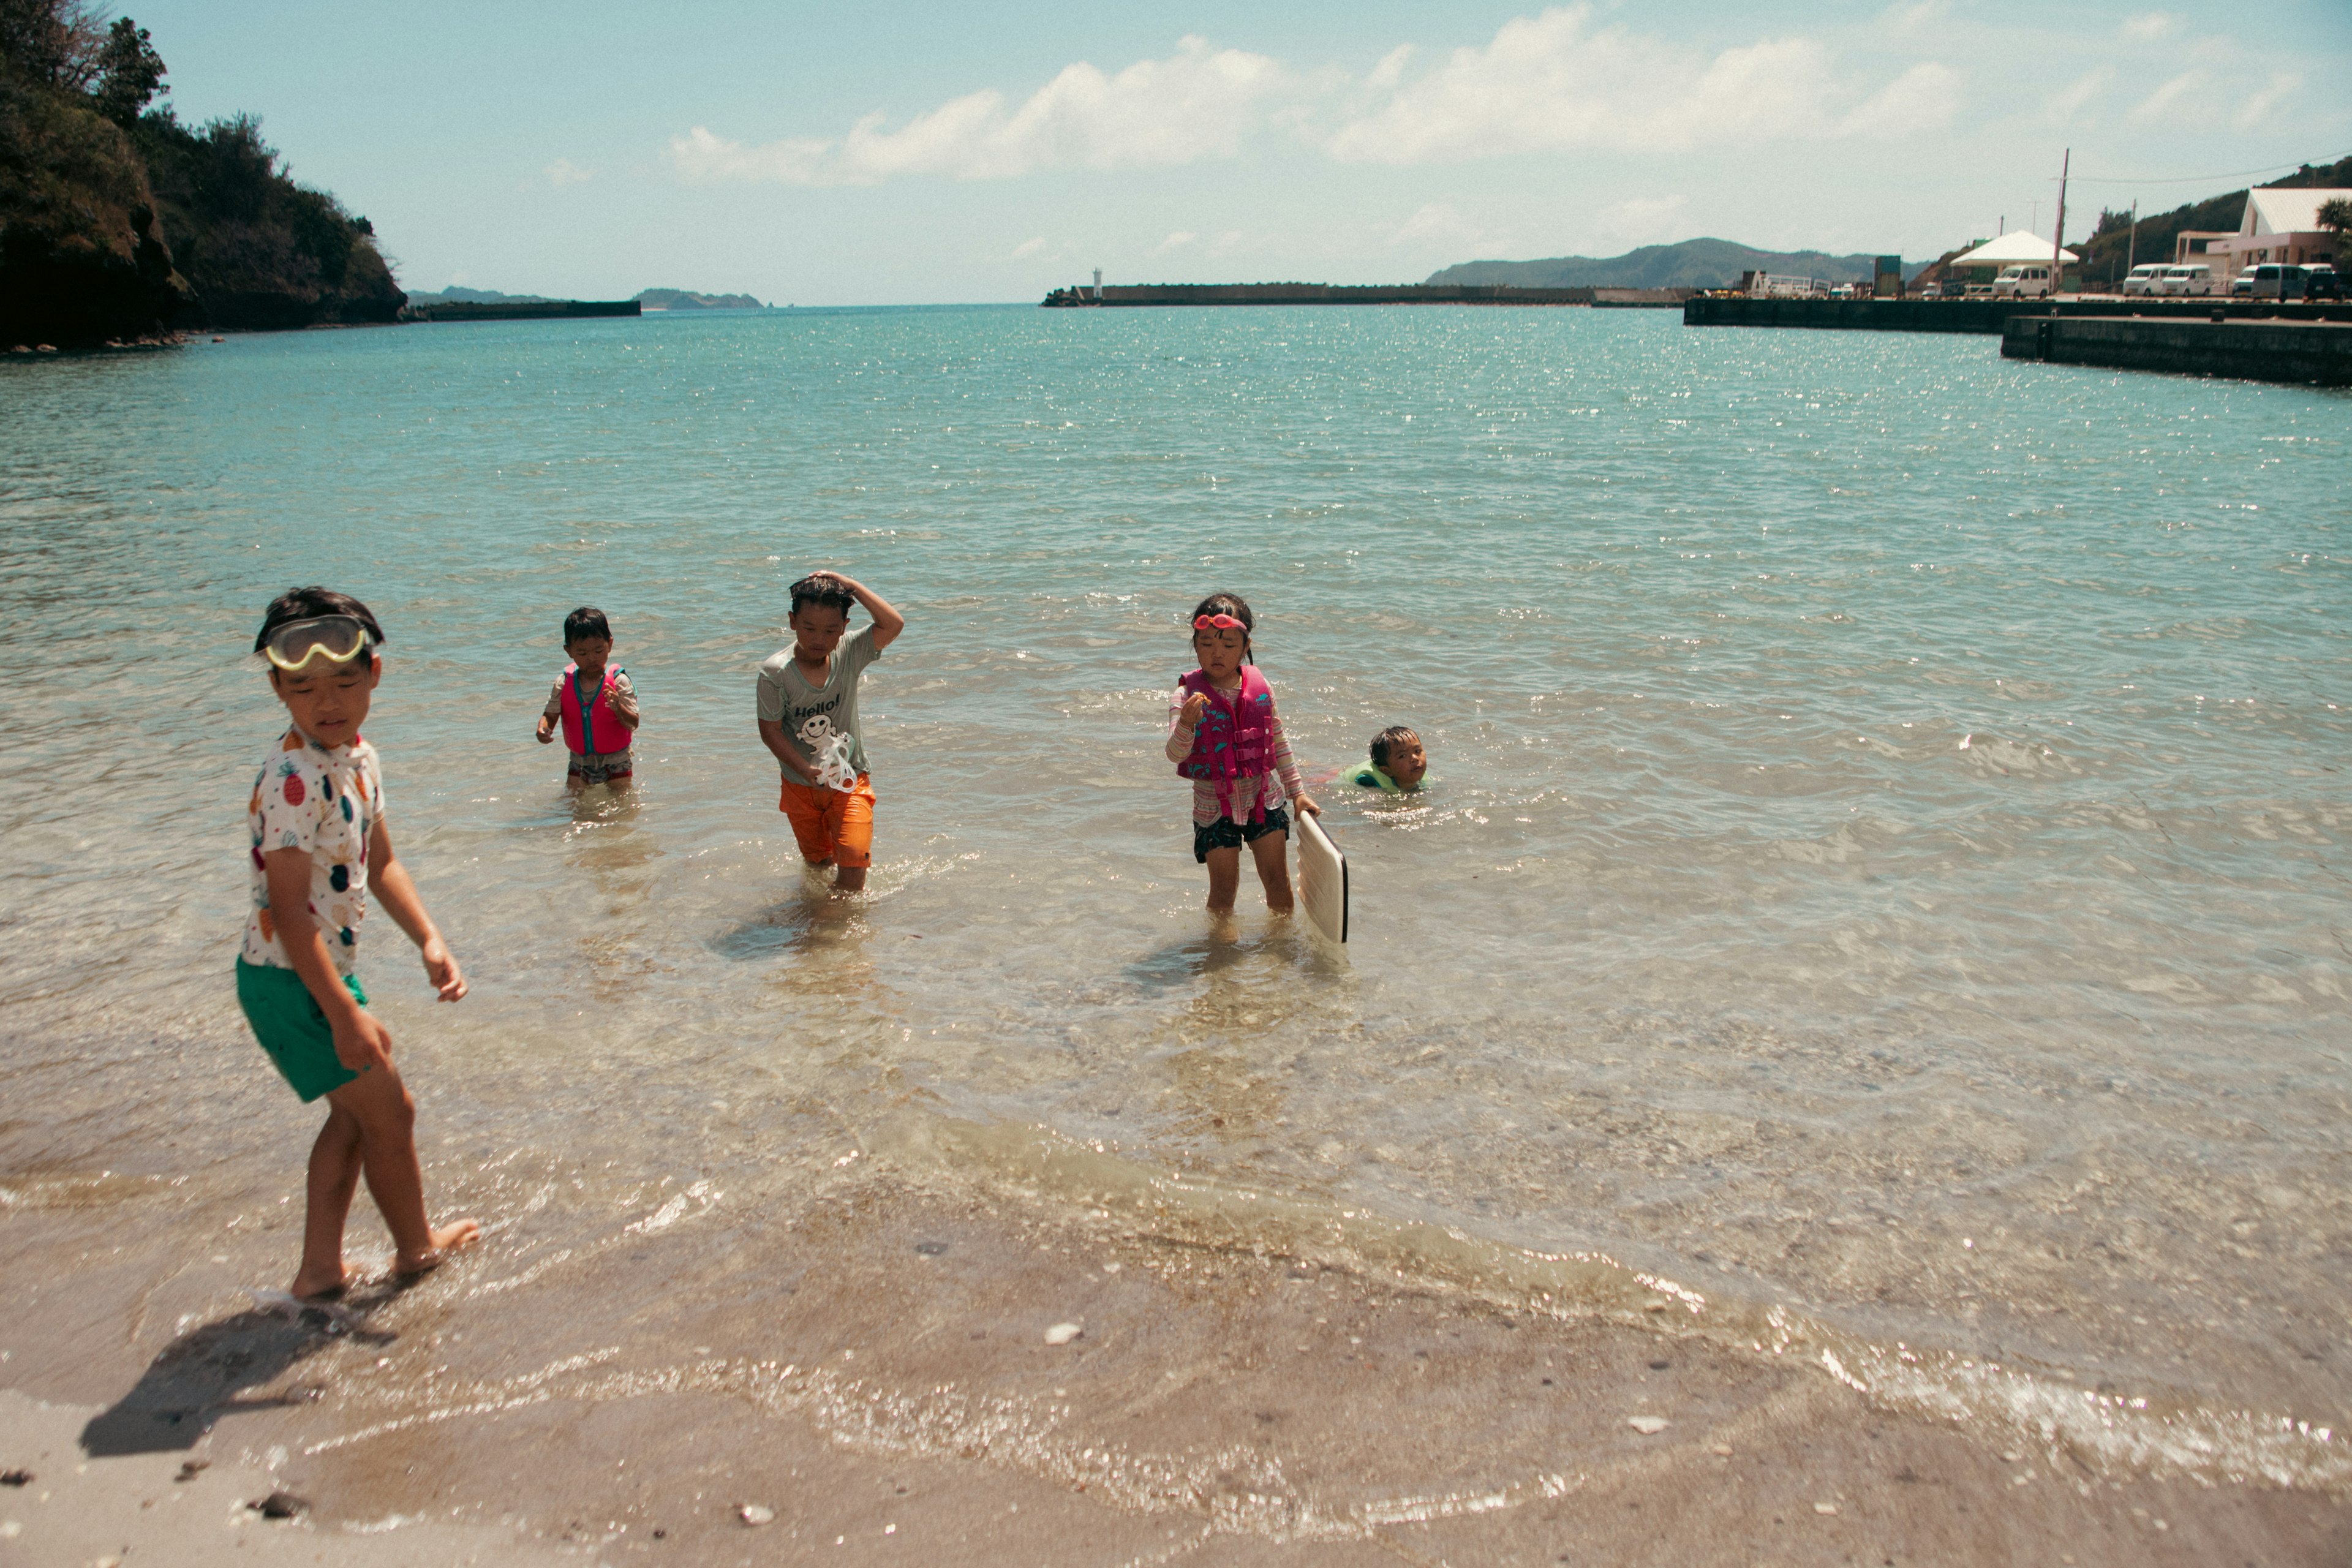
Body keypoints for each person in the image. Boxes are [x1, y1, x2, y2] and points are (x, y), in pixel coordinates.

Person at [236, 587, 480, 1300]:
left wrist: (429, 939)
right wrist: (343, 1011)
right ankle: (416, 1249)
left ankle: (319, 1270)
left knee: (354, 1117)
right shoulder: (291, 780)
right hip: (291, 977)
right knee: (391, 1111)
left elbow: (381, 863)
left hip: (313, 975)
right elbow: (287, 907)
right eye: (303, 687)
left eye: (344, 681)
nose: (327, 701)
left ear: (375, 674)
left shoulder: (358, 758)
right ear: (277, 686)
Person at [1166, 592, 1320, 914]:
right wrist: (1187, 724)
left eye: (1228, 645)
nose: (1217, 653)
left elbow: (1278, 742)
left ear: (1246, 647)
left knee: (1278, 882)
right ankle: (1221, 956)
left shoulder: (1260, 689)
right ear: (1195, 645)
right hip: (1213, 809)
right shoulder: (1185, 696)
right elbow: (1176, 753)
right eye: (1207, 644)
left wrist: (1299, 794)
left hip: (1265, 800)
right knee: (1223, 894)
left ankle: (1280, 952)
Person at [756, 571, 905, 893]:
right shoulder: (775, 674)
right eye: (809, 628)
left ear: (844, 628)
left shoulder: (849, 652)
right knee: (817, 862)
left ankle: (834, 934)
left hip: (850, 778)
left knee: (853, 860)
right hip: (800, 786)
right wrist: (804, 769)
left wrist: (853, 586)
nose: (819, 639)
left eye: (830, 630)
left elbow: (893, 624)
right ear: (792, 621)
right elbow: (770, 731)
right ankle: (814, 915)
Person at [534, 606, 640, 790]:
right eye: (582, 653)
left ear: (610, 644)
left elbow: (633, 723)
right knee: (575, 809)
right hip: (579, 761)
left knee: (622, 808)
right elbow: (550, 716)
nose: (591, 658)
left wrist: (617, 707)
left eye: (598, 651)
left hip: (617, 759)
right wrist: (543, 729)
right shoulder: (564, 682)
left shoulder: (619, 682)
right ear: (569, 651)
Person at [1348, 725, 1429, 793]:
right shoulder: (1370, 784)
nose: (1415, 758)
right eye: (1403, 756)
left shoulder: (1418, 772)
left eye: (1417, 751)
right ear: (1387, 771)